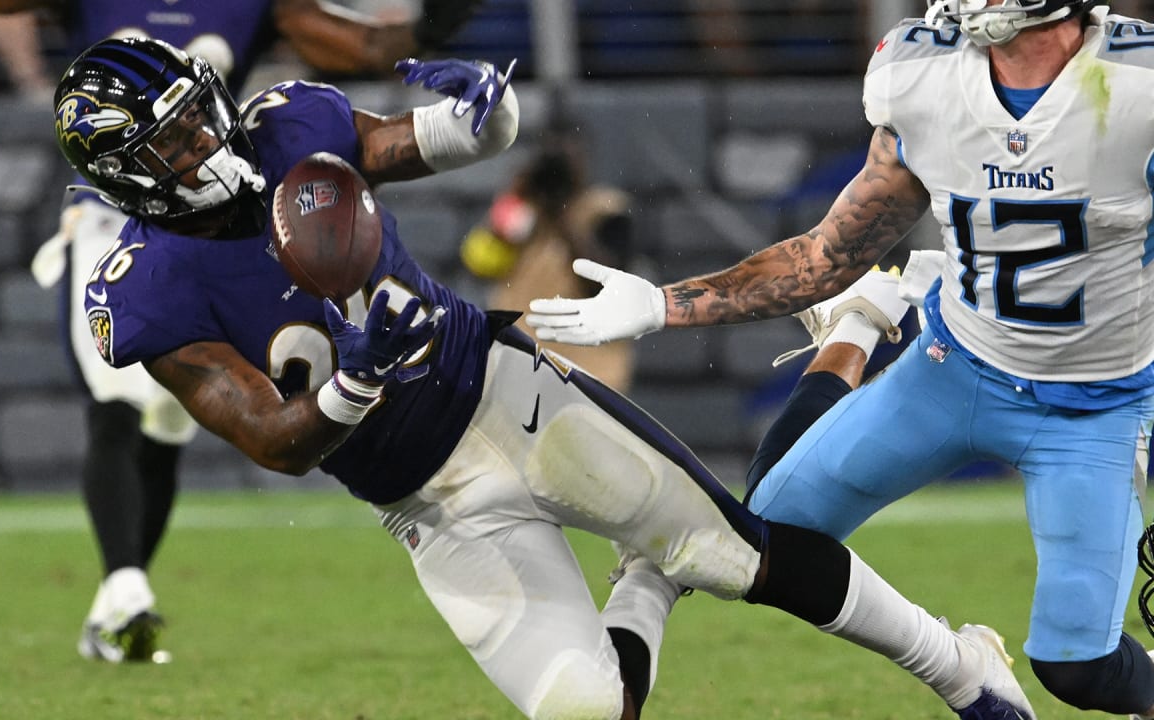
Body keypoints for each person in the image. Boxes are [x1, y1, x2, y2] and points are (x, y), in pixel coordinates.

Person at [54, 36, 1040, 719]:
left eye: (196, 116)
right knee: (585, 707)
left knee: (741, 556)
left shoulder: (285, 126)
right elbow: (267, 437)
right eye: (172, 142)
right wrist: (356, 380)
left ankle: (964, 674)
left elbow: (431, 140)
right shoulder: (148, 292)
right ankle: (647, 575)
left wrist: (488, 108)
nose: (205, 142)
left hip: (500, 391)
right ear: (128, 175)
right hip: (424, 502)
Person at [525, 1, 1154, 716]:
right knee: (764, 540)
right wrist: (663, 305)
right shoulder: (925, 76)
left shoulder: (1138, 86)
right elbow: (828, 254)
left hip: (1091, 408)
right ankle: (859, 326)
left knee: (1079, 670)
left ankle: (858, 326)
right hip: (955, 369)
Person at [0, 0, 486, 663]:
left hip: (236, 214)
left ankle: (116, 594)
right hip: (123, 223)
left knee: (169, 418)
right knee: (121, 401)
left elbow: (359, 47)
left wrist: (436, 31)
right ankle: (124, 589)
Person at [460, 135, 639, 391]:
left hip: (589, 373)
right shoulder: (524, 213)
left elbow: (606, 284)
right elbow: (479, 263)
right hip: (524, 367)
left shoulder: (605, 209)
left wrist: (562, 218)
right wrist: (515, 196)